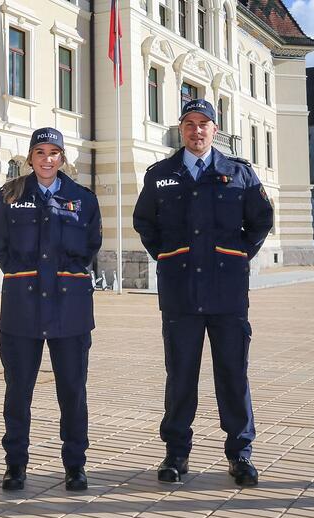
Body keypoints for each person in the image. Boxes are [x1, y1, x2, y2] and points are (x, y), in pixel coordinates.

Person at [133, 99, 274, 487]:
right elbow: (144, 222)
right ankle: (176, 455)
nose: (197, 131)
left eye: (204, 124)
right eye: (190, 124)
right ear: (182, 129)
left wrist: (238, 255)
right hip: (180, 294)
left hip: (227, 294)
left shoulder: (238, 173)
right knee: (180, 377)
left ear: (216, 129)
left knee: (233, 374)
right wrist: (167, 254)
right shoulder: (161, 174)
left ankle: (240, 455)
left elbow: (262, 220)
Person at [0, 128, 102, 491]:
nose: (47, 159)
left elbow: (91, 243)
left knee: (72, 390)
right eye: (40, 152)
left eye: (54, 152)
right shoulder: (10, 195)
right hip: (23, 308)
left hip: (70, 310)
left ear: (62, 158)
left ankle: (75, 465)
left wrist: (68, 271)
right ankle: (15, 465)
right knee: (18, 391)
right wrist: (20, 273)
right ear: (30, 157)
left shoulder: (82, 198)